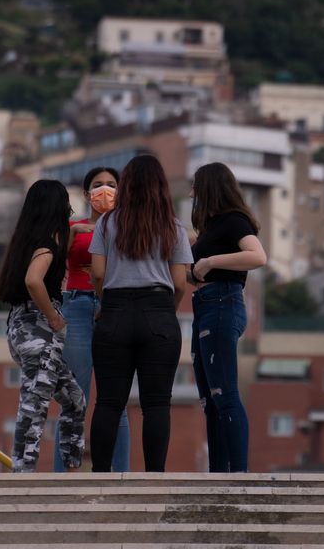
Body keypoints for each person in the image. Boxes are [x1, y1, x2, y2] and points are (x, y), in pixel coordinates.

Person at [89, 153, 192, 472]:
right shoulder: (173, 226)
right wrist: (167, 312)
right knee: (157, 403)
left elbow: (96, 272)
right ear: (161, 187)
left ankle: (100, 475)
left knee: (108, 401)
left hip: (115, 311)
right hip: (158, 311)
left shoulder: (107, 222)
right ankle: (154, 477)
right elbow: (179, 282)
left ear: (127, 186)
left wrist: (104, 303)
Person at [0, 178, 85, 472]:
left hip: (20, 326)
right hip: (38, 329)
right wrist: (54, 317)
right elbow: (34, 280)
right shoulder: (46, 245)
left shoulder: (29, 240)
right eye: (66, 205)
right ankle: (22, 473)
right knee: (35, 403)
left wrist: (79, 231)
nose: (69, 210)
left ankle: (71, 464)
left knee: (73, 399)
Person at [52, 166, 131, 473]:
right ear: (86, 194)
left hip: (115, 307)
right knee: (74, 400)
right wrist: (71, 234)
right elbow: (50, 264)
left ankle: (121, 474)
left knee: (117, 402)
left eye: (112, 185)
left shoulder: (128, 229)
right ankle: (60, 477)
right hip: (78, 306)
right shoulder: (73, 227)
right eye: (98, 185)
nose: (105, 190)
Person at [189, 161, 266, 473]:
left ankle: (238, 473)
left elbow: (258, 256)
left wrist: (208, 262)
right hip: (206, 305)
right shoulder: (210, 229)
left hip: (222, 303)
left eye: (196, 186)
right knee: (211, 399)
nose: (192, 193)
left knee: (225, 394)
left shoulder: (233, 221)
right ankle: (219, 473)